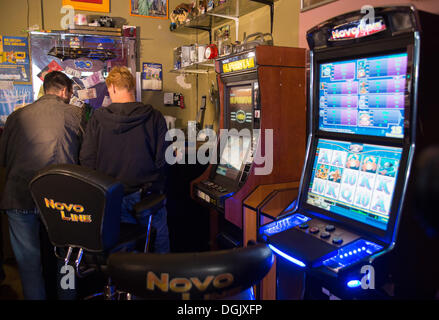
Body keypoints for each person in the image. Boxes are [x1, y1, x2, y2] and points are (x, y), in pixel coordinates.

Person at [0, 71, 83, 299]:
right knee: (66, 260)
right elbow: (86, 158)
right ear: (65, 92)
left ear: (45, 89)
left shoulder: (17, 117)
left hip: (19, 195)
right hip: (59, 198)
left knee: (29, 265)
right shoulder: (75, 113)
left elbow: (4, 158)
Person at [80, 66, 170, 253]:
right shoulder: (154, 116)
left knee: (121, 250)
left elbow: (87, 159)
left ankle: (124, 281)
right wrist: (154, 186)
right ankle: (161, 280)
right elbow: (164, 159)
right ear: (132, 87)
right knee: (157, 240)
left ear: (112, 87)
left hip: (111, 196)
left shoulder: (97, 118)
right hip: (147, 196)